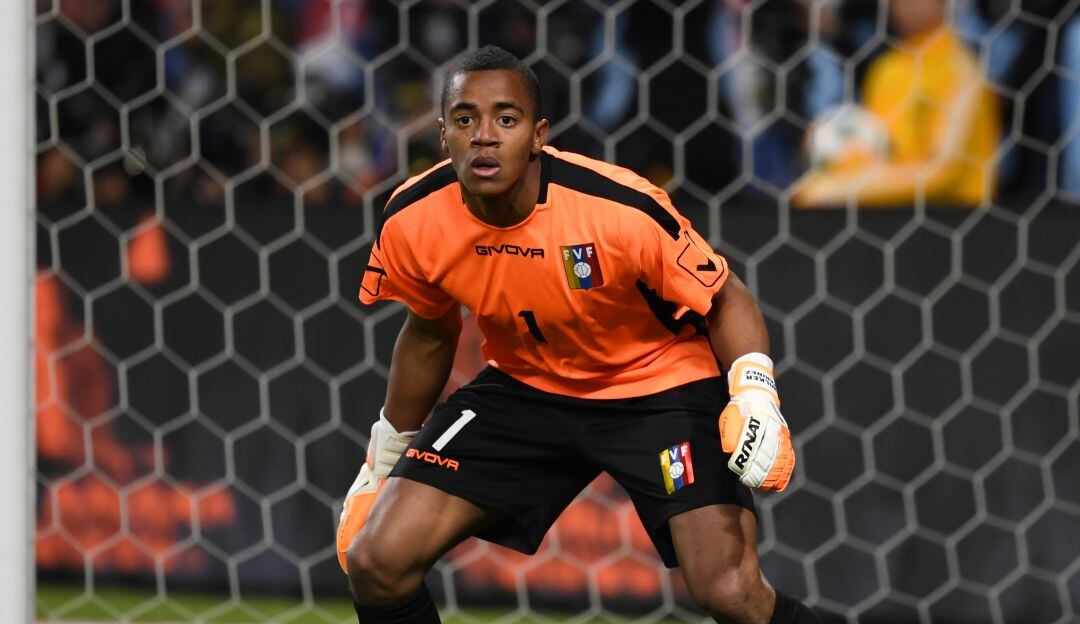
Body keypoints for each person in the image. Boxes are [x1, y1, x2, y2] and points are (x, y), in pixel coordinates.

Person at [338, 45, 819, 624]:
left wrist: (755, 393)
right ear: (443, 134)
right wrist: (385, 453)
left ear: (538, 136)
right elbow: (429, 331)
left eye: (506, 119)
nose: (484, 136)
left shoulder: (617, 208)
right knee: (376, 561)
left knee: (731, 593)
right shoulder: (412, 218)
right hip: (526, 388)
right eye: (465, 119)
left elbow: (724, 295)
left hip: (658, 388)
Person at [793, 0, 1000, 208]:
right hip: (891, 211)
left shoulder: (964, 72)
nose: (907, 5)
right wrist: (829, 152)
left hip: (955, 214)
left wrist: (842, 189)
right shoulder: (886, 69)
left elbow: (942, 172)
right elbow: (878, 150)